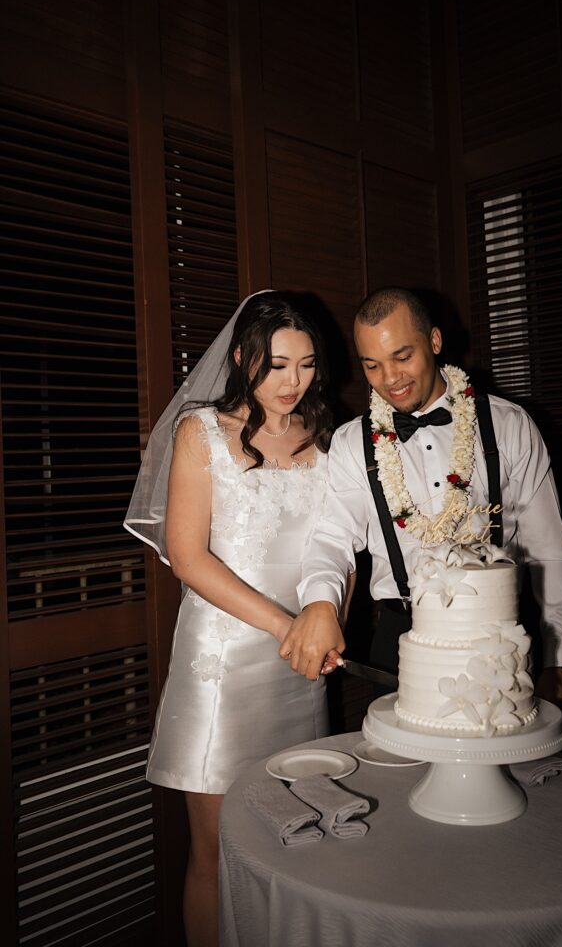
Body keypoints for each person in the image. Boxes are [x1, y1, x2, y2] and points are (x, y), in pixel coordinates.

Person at [125, 291, 342, 947]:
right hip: (221, 665)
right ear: (244, 356)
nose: (292, 382)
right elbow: (187, 558)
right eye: (276, 365)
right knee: (214, 848)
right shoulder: (200, 431)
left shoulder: (328, 436)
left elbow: (338, 548)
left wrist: (327, 620)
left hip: (298, 667)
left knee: (293, 838)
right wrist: (285, 626)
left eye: (306, 365)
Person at [281, 287, 562, 709]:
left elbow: (548, 551)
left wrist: (560, 660)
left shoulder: (509, 425)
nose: (390, 379)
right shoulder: (352, 442)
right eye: (372, 365)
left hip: (503, 632)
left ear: (435, 341)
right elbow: (333, 537)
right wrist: (319, 604)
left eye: (403, 357)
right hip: (402, 638)